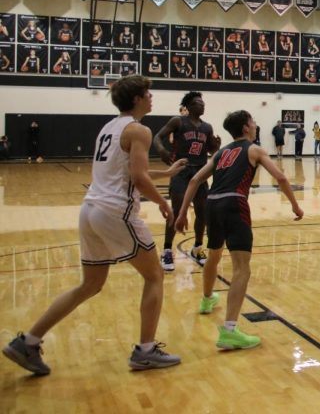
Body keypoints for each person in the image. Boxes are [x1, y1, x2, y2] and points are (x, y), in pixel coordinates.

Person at [3, 76, 186, 375]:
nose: (152, 97)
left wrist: (166, 173)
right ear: (138, 98)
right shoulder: (139, 129)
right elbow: (138, 179)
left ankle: (28, 341)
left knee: (90, 284)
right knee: (154, 276)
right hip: (116, 212)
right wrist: (164, 203)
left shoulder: (109, 128)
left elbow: (129, 171)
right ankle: (145, 350)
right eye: (148, 93)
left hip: (90, 210)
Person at [174, 110, 303, 351]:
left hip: (212, 204)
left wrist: (181, 213)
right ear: (246, 127)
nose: (255, 125)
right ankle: (230, 331)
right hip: (234, 203)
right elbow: (281, 178)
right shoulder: (254, 149)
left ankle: (206, 300)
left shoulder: (222, 152)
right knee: (242, 269)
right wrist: (295, 205)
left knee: (214, 253)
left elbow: (194, 181)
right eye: (253, 121)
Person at [153, 92, 221, 271]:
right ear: (189, 106)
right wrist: (161, 151)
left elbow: (211, 150)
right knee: (176, 211)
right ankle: (167, 250)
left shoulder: (207, 127)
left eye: (203, 103)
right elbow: (157, 137)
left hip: (200, 172)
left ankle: (197, 247)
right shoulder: (178, 121)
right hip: (181, 170)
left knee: (202, 212)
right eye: (199, 103)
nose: (203, 105)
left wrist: (216, 146)